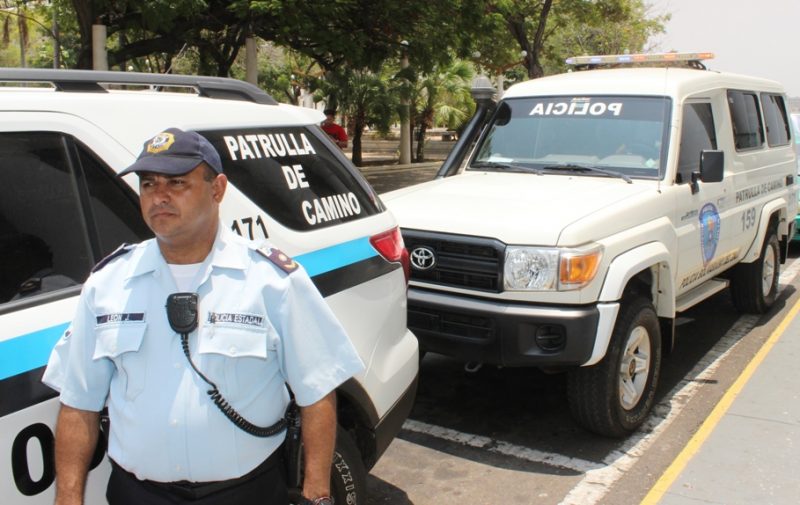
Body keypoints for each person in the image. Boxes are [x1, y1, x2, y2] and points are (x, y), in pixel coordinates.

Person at [42, 127, 364, 505]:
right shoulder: (108, 283)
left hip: (246, 493)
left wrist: (317, 494)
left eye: (177, 183)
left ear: (217, 189)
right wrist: (67, 498)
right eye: (148, 184)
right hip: (138, 494)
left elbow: (317, 391)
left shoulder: (271, 281)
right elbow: (79, 401)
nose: (158, 196)